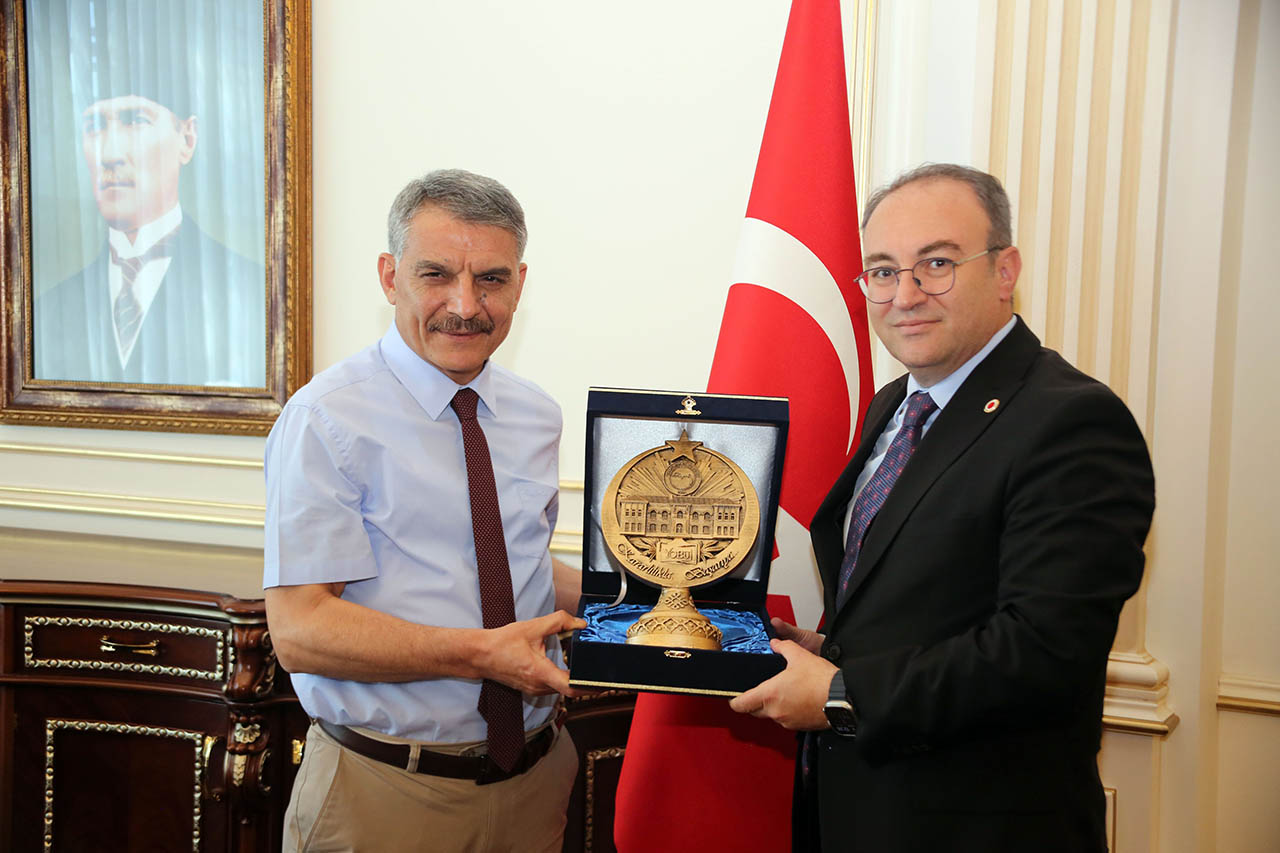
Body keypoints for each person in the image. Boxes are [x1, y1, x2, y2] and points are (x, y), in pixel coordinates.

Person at [730, 163, 1155, 852]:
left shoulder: (1071, 422)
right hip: (858, 814)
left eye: (936, 263)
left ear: (1006, 269)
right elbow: (910, 599)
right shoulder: (893, 407)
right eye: (883, 270)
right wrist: (827, 649)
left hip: (981, 825)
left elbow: (1042, 653)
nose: (906, 294)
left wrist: (842, 689)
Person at [264, 169, 584, 852]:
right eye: (435, 273)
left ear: (520, 283)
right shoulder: (325, 419)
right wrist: (480, 656)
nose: (464, 305)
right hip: (384, 794)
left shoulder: (535, 415)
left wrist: (670, 596)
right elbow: (300, 628)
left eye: (491, 279)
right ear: (389, 276)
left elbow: (507, 559)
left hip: (534, 783)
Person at [34, 25, 264, 387]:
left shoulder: (250, 295)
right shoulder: (48, 312)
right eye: (94, 126)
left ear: (187, 139)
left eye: (135, 120)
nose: (109, 154)